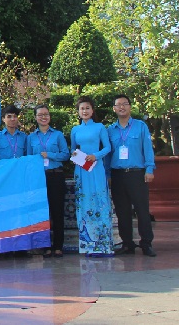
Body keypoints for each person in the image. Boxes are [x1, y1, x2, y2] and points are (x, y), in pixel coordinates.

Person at [109, 95, 157, 257]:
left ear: (130, 107)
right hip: (117, 175)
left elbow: (148, 149)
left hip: (137, 174)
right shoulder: (110, 130)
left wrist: (149, 169)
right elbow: (108, 155)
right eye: (118, 105)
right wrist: (108, 174)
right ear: (114, 108)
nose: (121, 107)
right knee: (122, 212)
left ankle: (146, 243)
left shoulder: (140, 126)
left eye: (125, 104)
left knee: (142, 210)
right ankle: (127, 243)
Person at [70, 96, 114, 257]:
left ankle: (103, 244)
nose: (85, 111)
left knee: (99, 200)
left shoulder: (100, 127)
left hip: (96, 168)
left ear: (92, 110)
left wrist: (95, 155)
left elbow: (108, 147)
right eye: (82, 109)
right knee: (85, 201)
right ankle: (87, 245)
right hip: (81, 169)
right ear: (78, 112)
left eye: (87, 108)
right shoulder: (75, 130)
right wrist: (77, 156)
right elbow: (73, 150)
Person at [27, 104, 70, 257]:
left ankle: (58, 246)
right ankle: (45, 246)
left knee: (57, 211)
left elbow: (66, 154)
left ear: (49, 116)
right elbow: (29, 159)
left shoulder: (58, 135)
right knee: (42, 213)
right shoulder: (31, 137)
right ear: (36, 117)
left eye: (46, 114)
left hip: (55, 175)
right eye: (40, 115)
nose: (43, 117)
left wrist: (50, 155)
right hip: (39, 177)